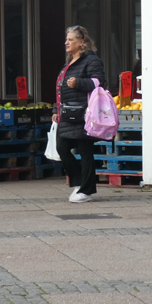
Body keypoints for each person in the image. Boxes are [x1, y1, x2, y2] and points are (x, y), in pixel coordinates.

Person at [54, 25, 108, 203]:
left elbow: (99, 81)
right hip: (67, 113)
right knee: (62, 148)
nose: (66, 42)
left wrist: (78, 83)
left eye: (70, 39)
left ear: (81, 42)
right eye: (66, 39)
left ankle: (86, 190)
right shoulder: (69, 61)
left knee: (85, 151)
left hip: (84, 113)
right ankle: (78, 182)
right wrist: (56, 110)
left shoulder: (91, 60)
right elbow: (61, 88)